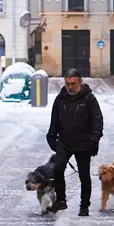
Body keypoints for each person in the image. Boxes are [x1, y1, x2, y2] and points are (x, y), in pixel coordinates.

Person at [46, 69, 103, 216]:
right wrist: (51, 135)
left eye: (73, 84)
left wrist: (95, 140)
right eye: (67, 84)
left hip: (84, 142)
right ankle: (61, 200)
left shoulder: (89, 99)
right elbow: (54, 119)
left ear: (80, 83)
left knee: (84, 175)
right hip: (64, 141)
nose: (70, 87)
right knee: (57, 169)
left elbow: (97, 120)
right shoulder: (60, 99)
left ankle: (84, 206)